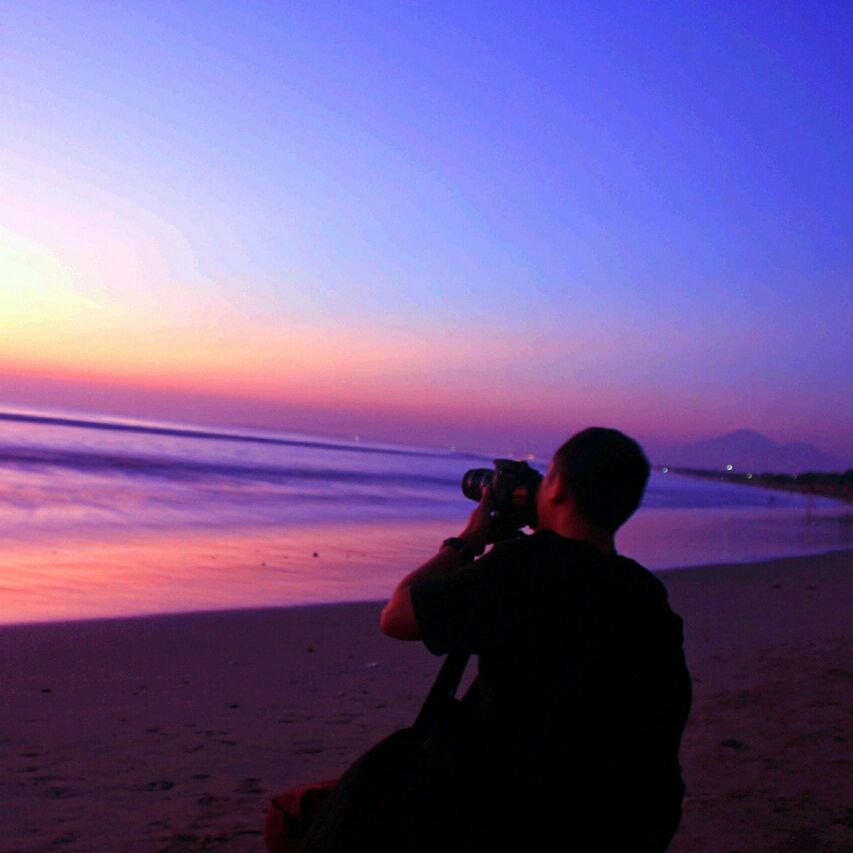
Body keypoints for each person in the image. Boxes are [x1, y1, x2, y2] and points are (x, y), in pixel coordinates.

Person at [380, 427, 692, 851]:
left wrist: (467, 540)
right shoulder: (647, 596)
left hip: (510, 820)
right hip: (621, 827)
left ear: (558, 486)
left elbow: (397, 616)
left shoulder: (527, 567)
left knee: (295, 815)